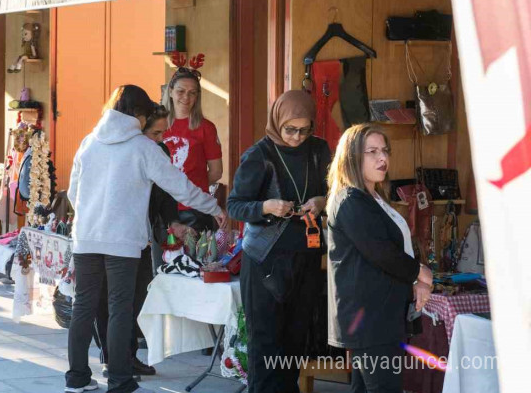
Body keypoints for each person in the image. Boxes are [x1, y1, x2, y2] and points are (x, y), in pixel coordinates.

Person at [66, 85, 226, 393]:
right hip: (123, 242)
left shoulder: (88, 142)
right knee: (120, 309)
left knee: (83, 307)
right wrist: (212, 206)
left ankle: (76, 380)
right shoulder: (143, 147)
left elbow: (75, 192)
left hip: (85, 238)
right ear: (138, 115)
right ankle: (120, 380)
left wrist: (91, 219)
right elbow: (179, 186)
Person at [226, 90, 332, 393]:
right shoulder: (259, 155)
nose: (297, 137)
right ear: (277, 122)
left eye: (304, 129)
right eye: (290, 129)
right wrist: (265, 207)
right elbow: (234, 205)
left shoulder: (319, 150)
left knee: (295, 339)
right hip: (265, 261)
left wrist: (322, 201)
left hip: (306, 258)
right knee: (266, 342)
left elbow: (338, 189)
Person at [326, 123, 433, 393]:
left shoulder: (372, 196)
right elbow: (381, 252)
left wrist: (416, 280)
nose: (382, 158)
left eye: (384, 150)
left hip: (382, 315)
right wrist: (420, 272)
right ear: (351, 157)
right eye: (371, 151)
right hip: (371, 320)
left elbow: (395, 251)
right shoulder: (350, 200)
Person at [93, 105, 185, 381]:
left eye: (163, 133)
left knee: (137, 298)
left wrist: (173, 221)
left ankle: (128, 355)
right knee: (108, 300)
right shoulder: (113, 148)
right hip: (108, 234)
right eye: (156, 132)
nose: (160, 139)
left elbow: (167, 191)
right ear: (138, 128)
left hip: (142, 235)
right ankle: (112, 358)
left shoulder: (160, 151)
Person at [162, 68, 223, 231]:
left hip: (195, 209)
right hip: (161, 208)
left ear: (197, 96)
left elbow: (216, 172)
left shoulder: (206, 128)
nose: (186, 97)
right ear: (170, 92)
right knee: (161, 257)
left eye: (192, 93)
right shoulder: (157, 126)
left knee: (195, 256)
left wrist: (192, 189)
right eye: (181, 91)